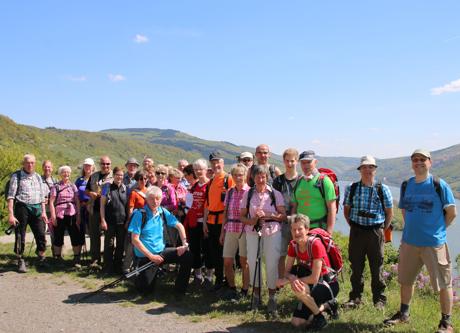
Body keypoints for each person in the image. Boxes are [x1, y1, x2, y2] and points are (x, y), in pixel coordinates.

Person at [384, 149, 457, 333]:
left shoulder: (439, 185)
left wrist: (438, 230)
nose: (418, 163)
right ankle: (403, 314)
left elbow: (451, 213)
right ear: (412, 163)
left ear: (430, 162)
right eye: (415, 160)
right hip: (409, 242)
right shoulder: (407, 185)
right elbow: (405, 211)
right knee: (406, 280)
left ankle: (446, 323)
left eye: (422, 160)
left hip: (434, 244)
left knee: (444, 283)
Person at [342, 155, 393, 309]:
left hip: (375, 232)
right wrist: (353, 225)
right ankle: (355, 298)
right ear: (360, 170)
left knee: (377, 267)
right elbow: (346, 210)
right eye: (364, 167)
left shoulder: (382, 189)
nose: (367, 170)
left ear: (375, 170)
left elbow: (389, 213)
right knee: (356, 266)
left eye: (371, 167)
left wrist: (382, 230)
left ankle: (379, 300)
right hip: (357, 231)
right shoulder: (352, 188)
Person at [277, 214, 339, 330]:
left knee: (298, 288)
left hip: (327, 284)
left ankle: (320, 318)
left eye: (300, 229)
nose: (296, 233)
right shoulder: (293, 245)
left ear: (307, 229)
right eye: (294, 229)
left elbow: (314, 278)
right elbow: (286, 272)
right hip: (309, 285)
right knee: (297, 323)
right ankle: (328, 306)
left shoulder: (315, 244)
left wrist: (289, 281)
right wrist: (291, 278)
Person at [128, 186, 193, 297]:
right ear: (146, 199)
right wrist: (151, 257)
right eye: (152, 198)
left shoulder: (162, 211)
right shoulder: (140, 214)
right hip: (146, 256)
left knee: (187, 255)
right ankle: (140, 277)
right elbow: (135, 240)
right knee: (146, 291)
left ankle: (179, 291)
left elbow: (179, 225)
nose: (155, 201)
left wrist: (184, 243)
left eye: (158, 198)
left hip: (162, 252)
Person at [240, 164, 286, 314]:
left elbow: (283, 216)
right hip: (253, 232)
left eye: (263, 176)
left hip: (272, 232)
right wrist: (253, 220)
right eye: (258, 176)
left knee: (272, 263)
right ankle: (256, 295)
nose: (261, 179)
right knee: (253, 263)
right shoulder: (247, 195)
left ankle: (272, 298)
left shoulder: (275, 194)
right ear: (253, 178)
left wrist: (268, 215)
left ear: (267, 177)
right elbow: (242, 216)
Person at [7, 153, 49, 272]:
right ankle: (20, 260)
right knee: (20, 235)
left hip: (37, 208)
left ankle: (41, 258)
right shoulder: (17, 176)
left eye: (32, 163)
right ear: (23, 163)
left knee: (41, 234)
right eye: (28, 162)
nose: (30, 165)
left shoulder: (38, 177)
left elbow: (42, 197)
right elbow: (11, 196)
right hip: (22, 208)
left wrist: (44, 212)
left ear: (35, 164)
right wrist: (11, 214)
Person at [203, 151, 234, 290]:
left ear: (222, 162)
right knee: (215, 253)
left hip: (224, 221)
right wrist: (204, 222)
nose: (216, 165)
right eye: (213, 162)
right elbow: (207, 204)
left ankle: (229, 281)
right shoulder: (210, 183)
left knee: (226, 253)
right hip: (211, 221)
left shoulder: (229, 179)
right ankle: (218, 279)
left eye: (218, 162)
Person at [219, 163, 250, 300]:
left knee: (244, 262)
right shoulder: (230, 192)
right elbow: (225, 213)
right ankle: (232, 288)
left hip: (245, 229)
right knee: (227, 261)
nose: (238, 177)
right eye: (236, 175)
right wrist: (222, 232)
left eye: (241, 174)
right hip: (230, 228)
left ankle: (245, 290)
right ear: (232, 176)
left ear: (245, 176)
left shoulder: (250, 192)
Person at [291, 150, 336, 234]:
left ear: (315, 162)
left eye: (308, 162)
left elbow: (332, 208)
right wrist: (292, 226)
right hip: (300, 230)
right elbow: (295, 206)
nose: (305, 165)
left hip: (319, 229)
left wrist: (329, 232)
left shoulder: (324, 181)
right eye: (303, 163)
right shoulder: (299, 181)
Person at [272, 148, 300, 279]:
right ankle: (281, 281)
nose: (290, 164)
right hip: (282, 222)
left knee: (301, 254)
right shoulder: (278, 181)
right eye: (287, 161)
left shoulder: (302, 180)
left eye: (292, 161)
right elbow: (273, 201)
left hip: (298, 222)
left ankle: (302, 283)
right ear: (283, 161)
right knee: (281, 254)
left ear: (297, 161)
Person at [48, 166, 83, 268]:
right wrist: (53, 216)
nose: (66, 174)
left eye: (68, 172)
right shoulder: (56, 187)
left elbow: (77, 201)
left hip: (72, 213)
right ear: (60, 174)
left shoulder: (73, 186)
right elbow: (51, 202)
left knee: (74, 235)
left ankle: (76, 258)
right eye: (64, 172)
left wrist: (79, 215)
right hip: (59, 213)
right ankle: (58, 258)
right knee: (58, 236)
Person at [184, 159, 209, 285]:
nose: (198, 171)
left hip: (206, 222)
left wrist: (205, 221)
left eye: (201, 169)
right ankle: (198, 275)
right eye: (196, 169)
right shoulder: (193, 186)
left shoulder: (210, 185)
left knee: (207, 249)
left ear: (206, 170)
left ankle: (209, 277)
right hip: (194, 221)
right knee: (195, 249)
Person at [85, 155, 113, 269]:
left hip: (109, 211)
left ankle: (107, 261)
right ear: (100, 164)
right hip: (94, 210)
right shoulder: (94, 176)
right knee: (94, 236)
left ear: (110, 164)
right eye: (103, 164)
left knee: (109, 238)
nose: (105, 166)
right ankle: (95, 261)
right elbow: (86, 190)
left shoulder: (114, 176)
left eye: (107, 164)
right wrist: (90, 193)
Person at [100, 167, 128, 274]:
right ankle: (107, 267)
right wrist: (103, 220)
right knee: (109, 245)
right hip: (110, 221)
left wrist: (127, 221)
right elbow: (102, 205)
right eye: (117, 175)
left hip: (122, 222)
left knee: (120, 246)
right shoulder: (106, 187)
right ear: (113, 175)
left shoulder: (125, 188)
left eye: (121, 175)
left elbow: (126, 206)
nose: (119, 177)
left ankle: (117, 267)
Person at [123, 170, 149, 273]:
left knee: (143, 244)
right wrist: (130, 220)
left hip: (147, 222)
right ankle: (126, 267)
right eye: (141, 179)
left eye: (145, 178)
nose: (143, 180)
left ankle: (139, 266)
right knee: (131, 245)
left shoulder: (150, 191)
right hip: (137, 221)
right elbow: (130, 208)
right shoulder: (134, 193)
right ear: (137, 180)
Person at [41, 160, 58, 256]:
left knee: (54, 232)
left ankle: (55, 253)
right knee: (41, 232)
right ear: (43, 167)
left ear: (52, 168)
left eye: (49, 167)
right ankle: (41, 253)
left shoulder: (55, 181)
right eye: (45, 166)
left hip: (53, 210)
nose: (47, 168)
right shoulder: (38, 179)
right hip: (41, 210)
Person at [75, 158, 95, 238]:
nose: (87, 167)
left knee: (92, 230)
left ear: (93, 167)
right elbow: (75, 194)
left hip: (92, 207)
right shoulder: (79, 180)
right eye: (86, 165)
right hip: (81, 207)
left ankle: (93, 249)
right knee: (81, 230)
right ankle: (83, 249)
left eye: (89, 166)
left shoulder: (96, 179)